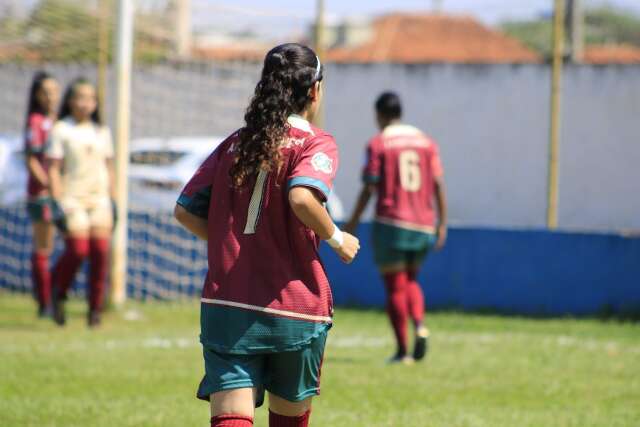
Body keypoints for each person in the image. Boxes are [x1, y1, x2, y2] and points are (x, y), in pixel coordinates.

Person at [174, 43, 360, 427]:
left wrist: (228, 243)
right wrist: (338, 238)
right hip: (293, 305)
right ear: (314, 90)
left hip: (229, 302)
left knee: (231, 418)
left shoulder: (237, 142)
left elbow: (185, 210)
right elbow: (302, 197)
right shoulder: (315, 142)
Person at [345, 92, 448, 364]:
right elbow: (437, 183)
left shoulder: (379, 143)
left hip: (392, 223)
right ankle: (421, 325)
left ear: (379, 114)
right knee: (412, 281)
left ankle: (403, 351)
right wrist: (442, 223)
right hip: (424, 223)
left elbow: (370, 185)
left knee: (395, 287)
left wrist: (353, 221)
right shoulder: (426, 142)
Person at [46, 78, 115, 328]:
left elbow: (109, 166)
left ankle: (94, 311)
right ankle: (58, 290)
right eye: (80, 97)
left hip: (99, 200)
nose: (85, 103)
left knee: (100, 252)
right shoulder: (62, 129)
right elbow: (53, 168)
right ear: (70, 101)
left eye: (90, 98)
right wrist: (56, 201)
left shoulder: (102, 132)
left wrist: (113, 199)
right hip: (72, 197)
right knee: (78, 249)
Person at [24, 71, 60, 318]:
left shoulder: (58, 120)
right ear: (37, 95)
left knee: (55, 245)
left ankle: (49, 296)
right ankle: (45, 302)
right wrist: (48, 184)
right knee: (44, 245)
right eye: (46, 92)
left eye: (54, 91)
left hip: (59, 192)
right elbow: (31, 160)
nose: (51, 96)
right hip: (42, 194)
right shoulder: (36, 121)